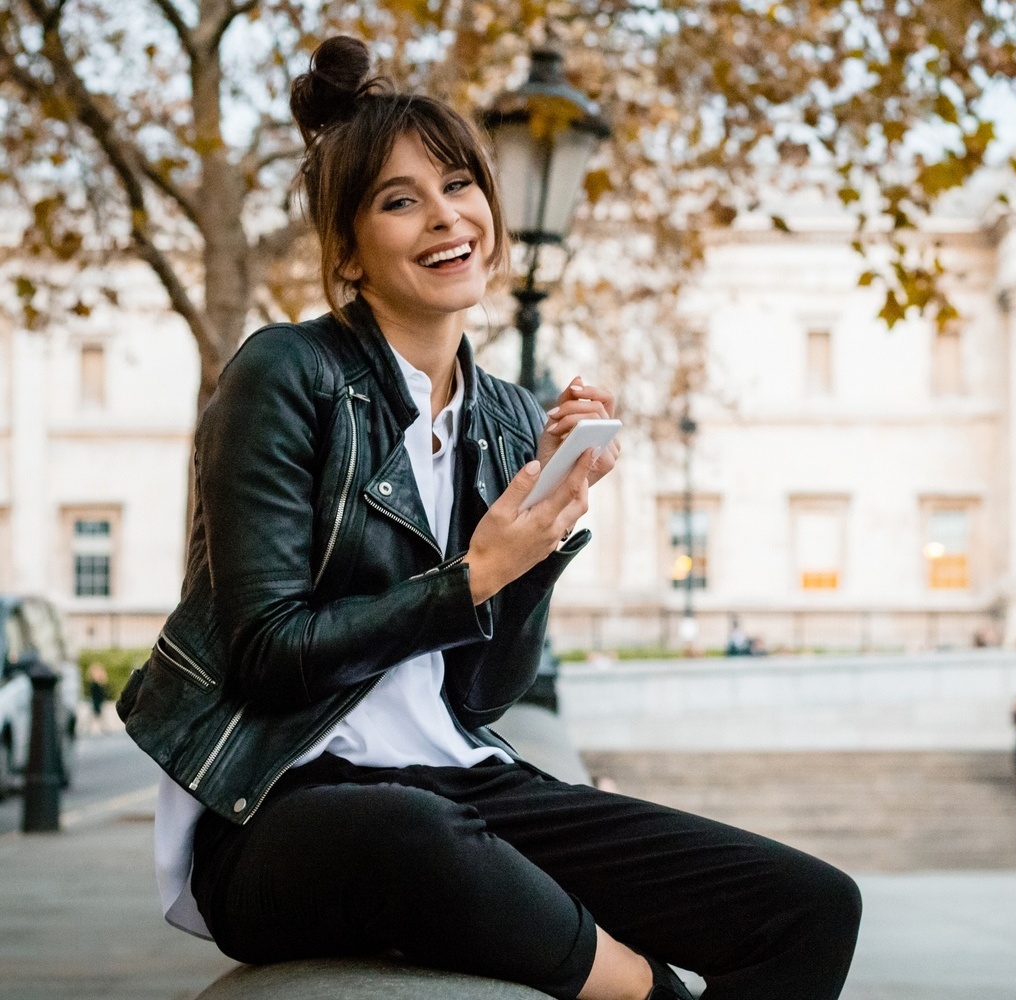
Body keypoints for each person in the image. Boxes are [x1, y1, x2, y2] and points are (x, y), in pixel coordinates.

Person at [116, 37, 860, 1000]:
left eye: (460, 185)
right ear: (347, 250)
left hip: (461, 782)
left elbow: (481, 699)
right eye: (399, 200)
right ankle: (649, 994)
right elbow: (267, 651)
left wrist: (539, 542)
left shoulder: (504, 416)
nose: (445, 218)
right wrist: (468, 576)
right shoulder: (285, 374)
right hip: (276, 808)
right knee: (411, 830)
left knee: (811, 905)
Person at [86, 662, 109, 733]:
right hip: (96, 701)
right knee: (97, 716)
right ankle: (103, 729)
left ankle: (88, 730)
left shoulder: (95, 684)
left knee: (95, 716)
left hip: (96, 701)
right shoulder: (95, 685)